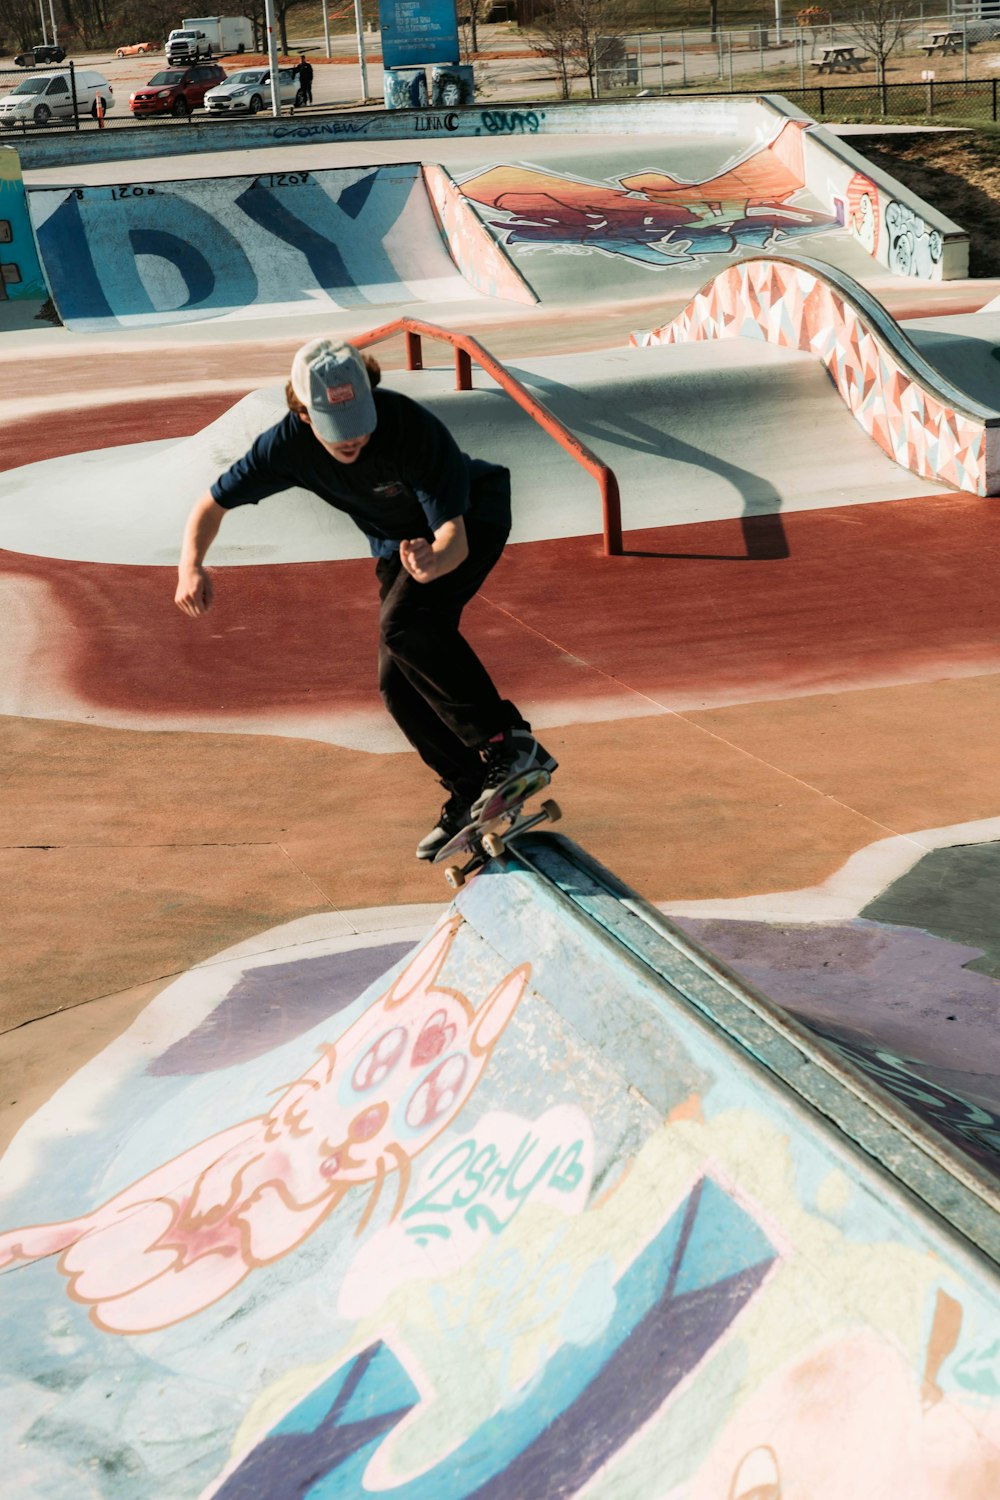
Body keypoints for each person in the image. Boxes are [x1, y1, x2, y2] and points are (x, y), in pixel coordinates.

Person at [175, 338, 557, 860]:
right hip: (397, 546)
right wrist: (190, 567)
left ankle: (508, 744)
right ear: (304, 413)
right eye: (338, 430)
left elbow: (455, 540)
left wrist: (432, 562)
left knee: (408, 625)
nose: (353, 439)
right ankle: (469, 784)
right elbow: (210, 505)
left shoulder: (412, 430)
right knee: (395, 685)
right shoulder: (282, 448)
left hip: (470, 522)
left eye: (359, 423)